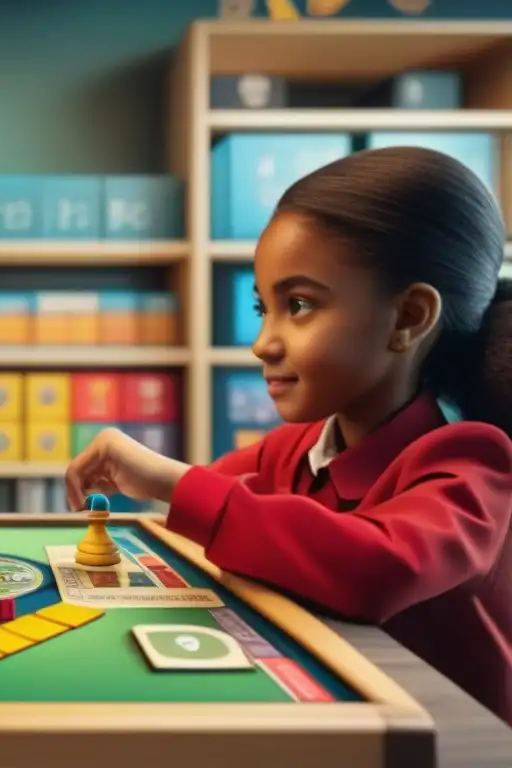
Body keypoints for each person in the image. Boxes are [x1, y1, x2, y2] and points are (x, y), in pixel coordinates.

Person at [66, 147, 512, 726]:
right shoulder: (299, 448)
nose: (262, 343)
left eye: (298, 306)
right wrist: (170, 483)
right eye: (263, 307)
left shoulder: (472, 462)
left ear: (409, 317)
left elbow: (375, 567)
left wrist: (167, 479)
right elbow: (221, 507)